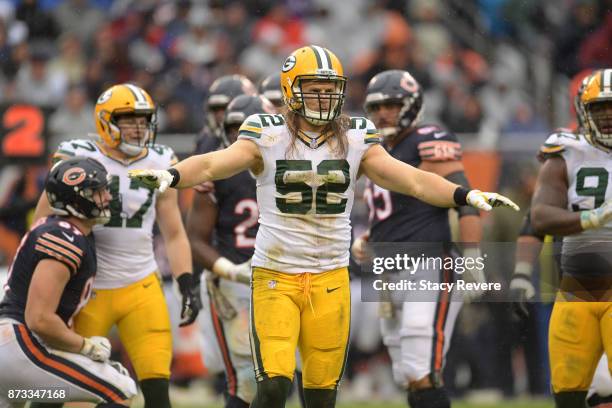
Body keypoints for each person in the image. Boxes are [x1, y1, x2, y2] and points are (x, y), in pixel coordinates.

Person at [129, 45, 519, 408]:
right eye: (313, 90)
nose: (324, 98)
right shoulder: (268, 133)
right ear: (291, 91)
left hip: (330, 277)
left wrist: (463, 196)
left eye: (330, 90)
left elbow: (412, 179)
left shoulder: (355, 136)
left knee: (320, 393)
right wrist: (173, 174)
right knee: (275, 382)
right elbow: (214, 163)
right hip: (276, 275)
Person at [33, 83, 200, 408]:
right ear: (105, 121)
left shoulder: (162, 159)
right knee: (60, 388)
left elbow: (174, 231)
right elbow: (43, 222)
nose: (139, 128)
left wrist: (186, 281)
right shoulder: (79, 155)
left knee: (156, 390)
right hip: (87, 288)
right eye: (129, 120)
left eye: (144, 120)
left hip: (141, 285)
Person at [352, 69, 482, 408]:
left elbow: (465, 200)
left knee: (421, 364)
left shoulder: (428, 137)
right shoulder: (376, 148)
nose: (382, 114)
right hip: (388, 269)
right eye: (376, 106)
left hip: (428, 264)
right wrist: (370, 237)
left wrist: (473, 258)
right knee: (406, 374)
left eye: (392, 105)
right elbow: (393, 210)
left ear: (412, 104)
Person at [0, 157, 137, 407]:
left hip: (14, 351)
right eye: (97, 192)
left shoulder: (63, 231)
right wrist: (86, 346)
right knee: (121, 387)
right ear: (76, 199)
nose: (106, 197)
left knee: (50, 394)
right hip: (21, 345)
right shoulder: (65, 238)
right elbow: (39, 318)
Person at [187, 94, 276, 408]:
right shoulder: (218, 172)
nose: (242, 136)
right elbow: (195, 238)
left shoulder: (290, 165)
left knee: (287, 374)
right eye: (235, 128)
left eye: (250, 128)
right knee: (245, 378)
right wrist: (229, 270)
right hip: (237, 281)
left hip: (283, 281)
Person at [531, 68, 612, 408]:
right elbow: (540, 216)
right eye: (599, 108)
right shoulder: (567, 150)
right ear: (583, 111)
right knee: (568, 395)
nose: (607, 116)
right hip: (576, 289)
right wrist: (591, 218)